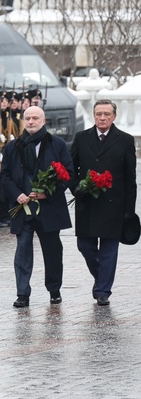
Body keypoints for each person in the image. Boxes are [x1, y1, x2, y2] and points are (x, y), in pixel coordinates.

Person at [1, 106, 74, 307]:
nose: (31, 122)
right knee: (22, 250)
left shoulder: (57, 144)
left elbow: (67, 174)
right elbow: (5, 175)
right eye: (27, 118)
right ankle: (22, 293)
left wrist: (47, 192)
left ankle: (54, 289)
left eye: (35, 118)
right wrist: (17, 194)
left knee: (52, 251)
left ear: (43, 121)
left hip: (48, 208)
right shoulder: (13, 146)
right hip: (22, 208)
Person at [70, 99, 137, 306]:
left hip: (113, 204)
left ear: (114, 116)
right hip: (87, 202)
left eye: (107, 114)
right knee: (85, 246)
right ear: (93, 115)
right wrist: (77, 188)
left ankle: (102, 290)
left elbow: (130, 178)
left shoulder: (125, 140)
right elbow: (71, 169)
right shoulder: (81, 138)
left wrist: (129, 211)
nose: (102, 118)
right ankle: (101, 277)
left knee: (109, 249)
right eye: (99, 114)